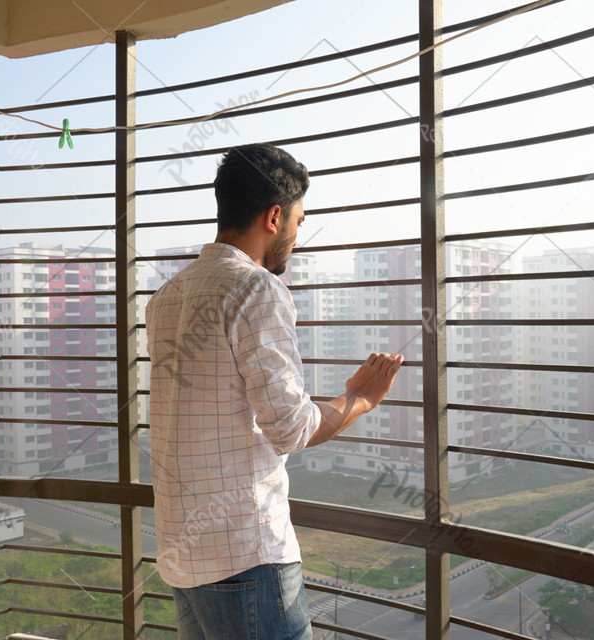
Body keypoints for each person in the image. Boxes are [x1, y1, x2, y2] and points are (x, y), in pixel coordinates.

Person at [146, 142, 403, 639]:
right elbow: (290, 428)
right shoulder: (257, 289)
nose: (297, 236)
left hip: (184, 552)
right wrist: (360, 398)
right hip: (246, 555)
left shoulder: (167, 296)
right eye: (299, 223)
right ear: (274, 216)